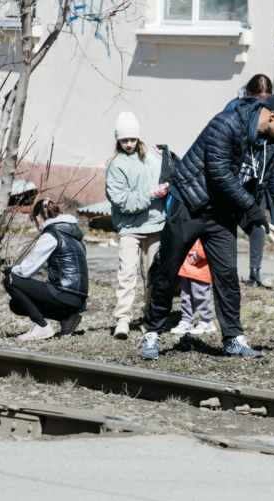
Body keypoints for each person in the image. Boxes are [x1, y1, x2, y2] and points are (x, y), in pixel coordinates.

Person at [140, 93, 274, 360]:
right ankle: (153, 332)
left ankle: (233, 338)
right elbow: (219, 172)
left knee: (227, 277)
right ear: (272, 116)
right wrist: (251, 207)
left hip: (221, 213)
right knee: (168, 270)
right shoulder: (225, 124)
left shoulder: (273, 147)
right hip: (190, 203)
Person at [105, 112, 169, 340]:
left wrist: (168, 160)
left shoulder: (153, 159)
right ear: (118, 141)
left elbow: (170, 176)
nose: (129, 144)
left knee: (152, 275)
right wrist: (152, 193)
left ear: (138, 137)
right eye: (124, 140)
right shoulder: (115, 166)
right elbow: (122, 200)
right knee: (127, 274)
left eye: (132, 139)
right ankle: (122, 319)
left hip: (155, 226)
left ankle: (149, 317)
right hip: (130, 228)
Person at [3, 198, 88, 340]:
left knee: (10, 280)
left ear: (38, 218)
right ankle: (67, 318)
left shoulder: (51, 235)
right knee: (16, 305)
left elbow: (28, 270)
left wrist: (11, 270)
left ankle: (41, 326)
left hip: (63, 294)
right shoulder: (74, 236)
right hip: (78, 301)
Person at [224, 74, 274, 287]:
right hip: (235, 176)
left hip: (257, 178)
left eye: (266, 99)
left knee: (258, 224)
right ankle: (228, 273)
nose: (262, 104)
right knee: (228, 225)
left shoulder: (271, 111)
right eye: (258, 99)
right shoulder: (232, 108)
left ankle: (255, 274)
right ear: (249, 94)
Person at [170, 240, 216, 335]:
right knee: (186, 295)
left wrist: (200, 253)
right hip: (186, 261)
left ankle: (207, 321)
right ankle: (187, 321)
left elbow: (208, 236)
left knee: (200, 293)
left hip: (199, 264)